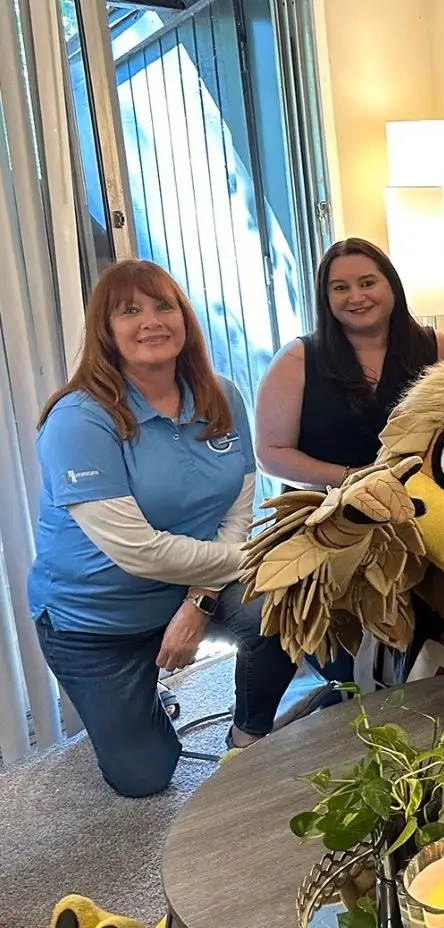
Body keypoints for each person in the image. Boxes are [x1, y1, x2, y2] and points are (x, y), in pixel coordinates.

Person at [27, 260, 297, 797]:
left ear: (184, 319)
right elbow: (140, 552)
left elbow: (238, 511)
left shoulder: (222, 394)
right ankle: (140, 701)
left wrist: (198, 603)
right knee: (145, 778)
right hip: (99, 620)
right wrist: (264, 557)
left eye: (162, 306)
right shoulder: (79, 419)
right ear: (105, 330)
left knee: (282, 606)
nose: (150, 321)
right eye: (130, 310)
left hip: (191, 585)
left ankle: (248, 736)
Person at [256, 238, 444, 491]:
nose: (356, 297)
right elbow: (270, 455)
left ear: (392, 285)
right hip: (319, 517)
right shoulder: (295, 360)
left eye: (367, 283)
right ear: (326, 298)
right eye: (340, 288)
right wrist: (354, 478)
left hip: (421, 509)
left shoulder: (438, 349)